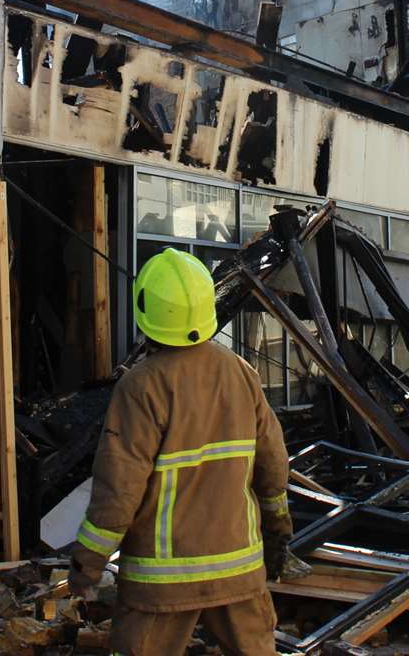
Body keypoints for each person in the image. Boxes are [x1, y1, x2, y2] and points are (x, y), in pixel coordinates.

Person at [69, 249, 291, 656]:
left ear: (146, 311)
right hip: (238, 573)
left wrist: (88, 563)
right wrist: (278, 532)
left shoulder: (142, 386)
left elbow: (119, 489)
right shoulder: (242, 373)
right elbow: (273, 465)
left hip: (161, 584)